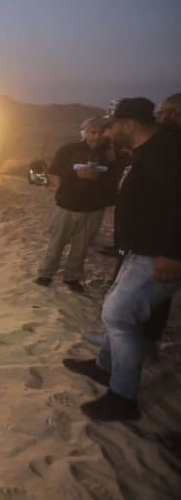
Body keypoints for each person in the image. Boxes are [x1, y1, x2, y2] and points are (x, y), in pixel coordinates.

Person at [63, 98, 181, 422]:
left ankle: (122, 399)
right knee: (115, 309)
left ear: (129, 124)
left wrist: (173, 252)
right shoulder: (144, 151)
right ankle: (104, 366)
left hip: (159, 253)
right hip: (138, 250)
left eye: (111, 126)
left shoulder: (167, 150)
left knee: (118, 316)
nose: (108, 132)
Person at [35, 117, 114, 293]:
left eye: (101, 132)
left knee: (81, 246)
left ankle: (72, 278)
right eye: (92, 132)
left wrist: (99, 179)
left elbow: (114, 180)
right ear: (85, 133)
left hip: (93, 209)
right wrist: (75, 173)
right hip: (66, 206)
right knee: (57, 242)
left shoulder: (110, 155)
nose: (96, 136)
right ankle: (45, 274)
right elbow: (55, 172)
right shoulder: (69, 150)